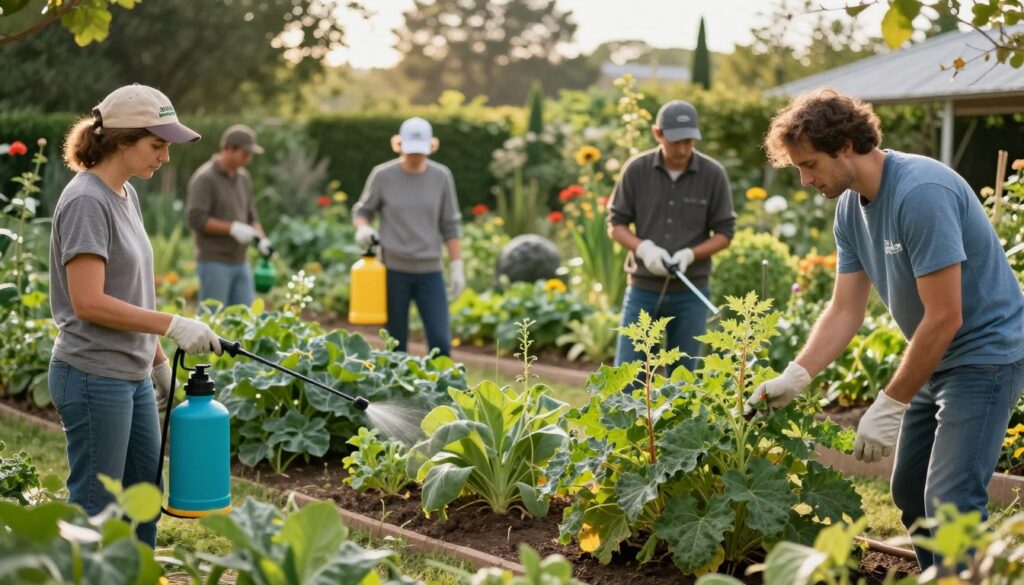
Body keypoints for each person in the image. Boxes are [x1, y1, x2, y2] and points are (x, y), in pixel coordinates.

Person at [752, 88, 1024, 570]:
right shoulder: (849, 208)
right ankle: (941, 577)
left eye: (810, 164)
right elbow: (844, 310)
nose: (804, 179)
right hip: (937, 354)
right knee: (910, 492)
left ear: (845, 146)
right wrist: (796, 376)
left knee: (951, 500)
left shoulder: (920, 193)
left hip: (985, 356)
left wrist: (892, 400)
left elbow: (946, 316)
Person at [50, 84, 223, 548]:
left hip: (131, 372)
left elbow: (133, 292)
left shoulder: (125, 193)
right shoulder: (87, 199)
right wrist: (172, 324)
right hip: (91, 373)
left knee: (144, 497)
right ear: (123, 139)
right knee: (97, 509)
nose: (164, 157)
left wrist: (159, 363)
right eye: (157, 144)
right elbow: (88, 301)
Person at [607, 100, 735, 373]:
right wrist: (645, 249)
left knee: (684, 381)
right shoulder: (636, 170)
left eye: (689, 141)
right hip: (642, 290)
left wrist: (690, 254)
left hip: (691, 292)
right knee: (626, 377)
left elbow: (725, 233)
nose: (683, 149)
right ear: (658, 134)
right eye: (676, 141)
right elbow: (615, 224)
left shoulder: (713, 175)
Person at [352, 117, 464, 356]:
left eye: (420, 152)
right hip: (393, 271)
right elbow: (363, 211)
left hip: (430, 271)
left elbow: (450, 225)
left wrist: (457, 265)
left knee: (440, 342)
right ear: (399, 145)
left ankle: (442, 392)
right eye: (410, 151)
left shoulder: (441, 177)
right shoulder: (383, 175)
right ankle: (398, 392)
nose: (415, 157)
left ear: (430, 147)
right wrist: (363, 228)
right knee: (395, 345)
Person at [186, 124, 271, 307]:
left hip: (241, 261)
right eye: (244, 154)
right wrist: (232, 228)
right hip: (214, 261)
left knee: (244, 319)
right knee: (213, 320)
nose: (248, 159)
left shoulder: (243, 177)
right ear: (228, 148)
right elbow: (197, 219)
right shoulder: (205, 178)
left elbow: (251, 215)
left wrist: (262, 239)